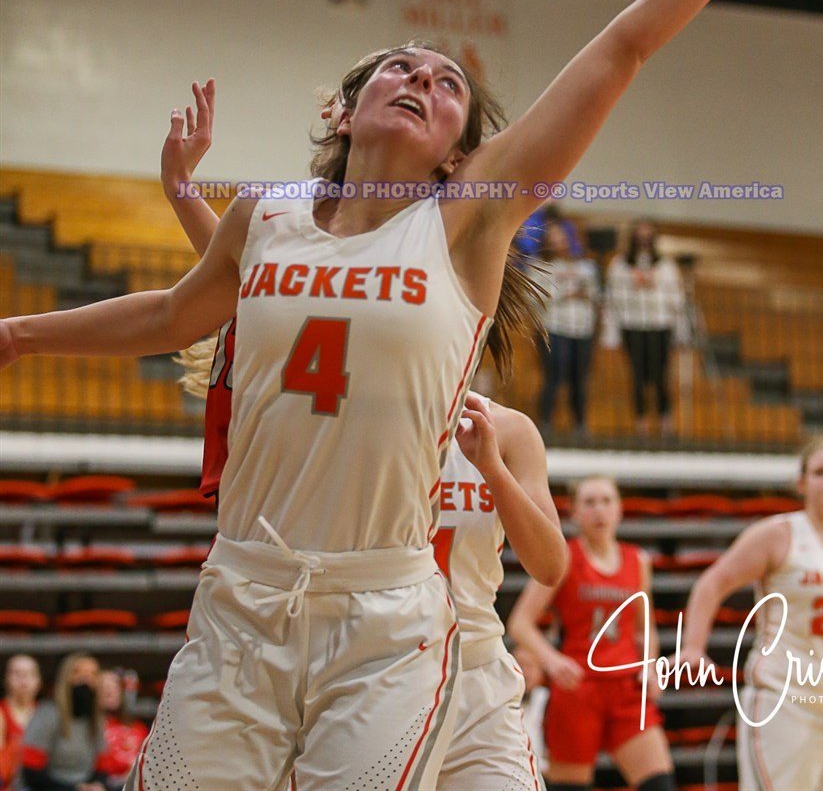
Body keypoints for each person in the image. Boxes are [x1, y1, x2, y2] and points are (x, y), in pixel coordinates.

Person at [0, 0, 823, 790]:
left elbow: (622, 48)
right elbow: (169, 315)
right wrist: (18, 334)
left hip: (386, 617)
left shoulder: (466, 220)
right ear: (348, 108)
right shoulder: (264, 216)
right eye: (397, 67)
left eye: (446, 83)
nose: (420, 77)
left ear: (458, 151)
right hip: (242, 595)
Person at [164, 81, 568, 790]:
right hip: (360, 661)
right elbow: (277, 286)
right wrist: (182, 194)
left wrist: (494, 472)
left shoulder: (506, 431)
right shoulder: (355, 401)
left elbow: (552, 565)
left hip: (470, 672)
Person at [678, 435, 823, 791]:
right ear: (801, 483)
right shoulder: (778, 534)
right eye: (820, 472)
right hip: (783, 700)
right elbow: (712, 583)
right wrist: (693, 648)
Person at [507, 475, 674, 790]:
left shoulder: (637, 560)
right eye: (590, 502)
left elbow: (645, 628)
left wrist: (651, 665)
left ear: (620, 509)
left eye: (607, 501)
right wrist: (552, 661)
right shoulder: (565, 557)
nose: (599, 510)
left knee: (660, 784)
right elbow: (520, 622)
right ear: (574, 513)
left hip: (626, 688)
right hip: (578, 688)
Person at [605, 220, 684, 437]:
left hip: (660, 323)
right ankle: (641, 421)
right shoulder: (620, 264)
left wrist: (653, 283)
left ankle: (665, 419)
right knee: (638, 374)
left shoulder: (666, 265)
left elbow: (675, 295)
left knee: (660, 375)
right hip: (632, 324)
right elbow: (613, 296)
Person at [537, 218, 600, 437]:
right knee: (553, 376)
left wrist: (584, 292)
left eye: (562, 238)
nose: (559, 243)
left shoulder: (587, 267)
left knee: (579, 378)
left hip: (582, 328)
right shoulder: (541, 267)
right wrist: (565, 293)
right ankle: (546, 422)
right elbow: (533, 298)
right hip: (553, 327)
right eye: (553, 238)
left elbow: (596, 295)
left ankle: (580, 424)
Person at [20, 654, 106, 791]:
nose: (85, 679)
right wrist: (74, 788)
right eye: (77, 672)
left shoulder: (96, 720)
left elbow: (102, 766)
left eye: (92, 674)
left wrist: (98, 784)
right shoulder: (48, 714)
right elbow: (31, 772)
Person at [94, 673, 147, 791]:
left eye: (115, 687)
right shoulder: (90, 727)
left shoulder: (138, 727)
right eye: (103, 688)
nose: (110, 692)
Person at [0, 654, 41, 791]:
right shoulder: (2, 713)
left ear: (38, 680)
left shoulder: (46, 714)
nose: (23, 679)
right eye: (17, 673)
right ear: (6, 679)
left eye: (29, 674)